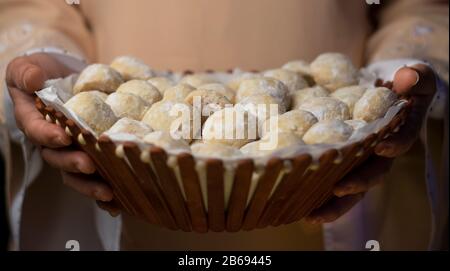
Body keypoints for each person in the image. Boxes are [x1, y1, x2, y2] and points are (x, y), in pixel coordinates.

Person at [0, 0, 448, 250]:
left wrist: (398, 80)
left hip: (333, 173)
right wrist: (52, 75)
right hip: (116, 173)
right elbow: (31, 6)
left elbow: (421, 7)